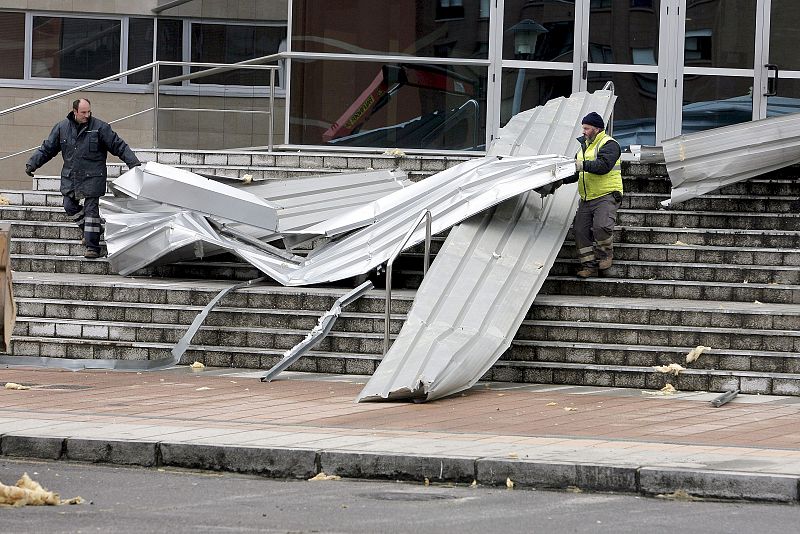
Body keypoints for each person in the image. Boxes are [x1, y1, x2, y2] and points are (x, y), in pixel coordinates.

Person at [26, 98, 141, 259]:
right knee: (69, 206)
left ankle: (93, 247)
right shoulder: (62, 128)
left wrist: (133, 163)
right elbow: (47, 149)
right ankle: (93, 231)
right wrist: (32, 164)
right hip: (71, 177)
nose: (87, 115)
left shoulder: (100, 128)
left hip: (93, 177)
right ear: (75, 112)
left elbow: (118, 145)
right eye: (83, 112)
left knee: (91, 210)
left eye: (89, 112)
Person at [537, 111, 623, 278]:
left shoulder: (610, 144)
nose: (583, 131)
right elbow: (576, 173)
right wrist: (559, 180)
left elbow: (603, 166)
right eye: (583, 128)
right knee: (579, 231)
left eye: (587, 128)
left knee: (601, 227)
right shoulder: (584, 146)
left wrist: (580, 165)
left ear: (597, 129)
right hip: (587, 198)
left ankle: (605, 256)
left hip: (606, 195)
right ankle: (589, 266)